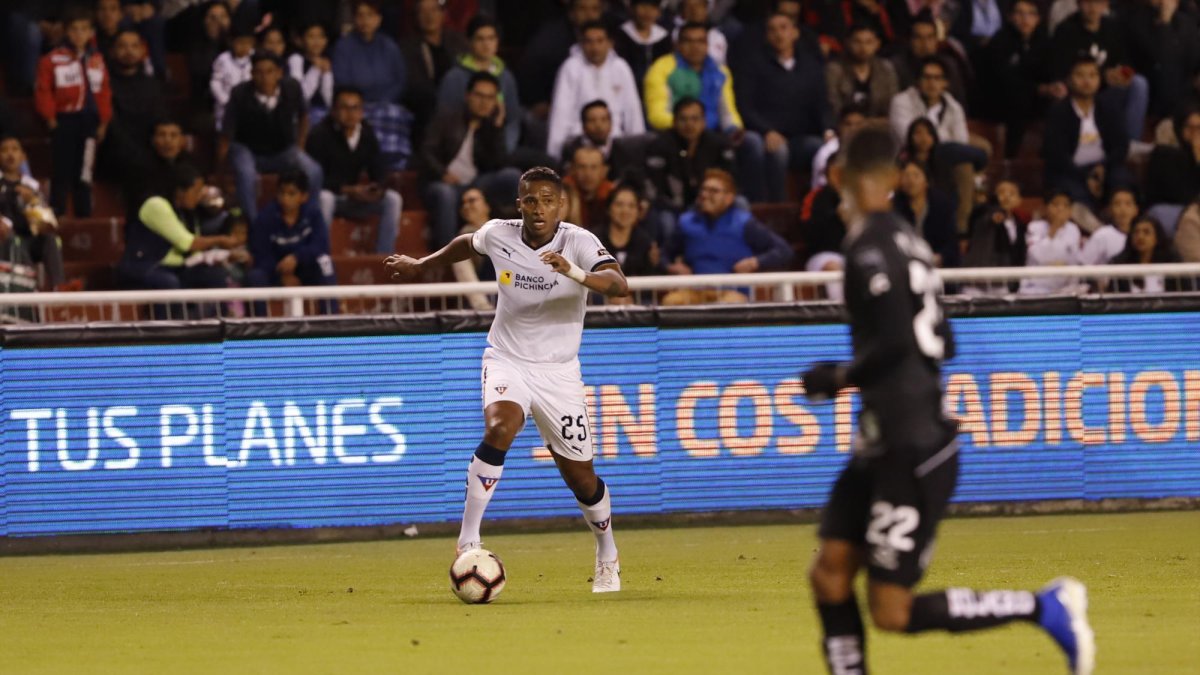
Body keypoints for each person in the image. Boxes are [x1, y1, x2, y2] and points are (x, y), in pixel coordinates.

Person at [800, 124, 1095, 675]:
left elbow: (897, 338)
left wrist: (836, 376)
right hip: (883, 437)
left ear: (837, 178)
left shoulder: (865, 245)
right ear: (893, 179)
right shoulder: (911, 240)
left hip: (910, 446)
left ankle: (1045, 606)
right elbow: (944, 339)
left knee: (890, 609)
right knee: (829, 572)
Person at [385, 166, 629, 593]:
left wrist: (573, 272)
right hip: (507, 358)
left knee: (581, 477)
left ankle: (607, 551)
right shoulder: (500, 233)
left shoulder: (579, 241)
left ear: (562, 205)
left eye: (548, 200)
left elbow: (618, 284)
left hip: (558, 372)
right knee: (500, 427)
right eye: (530, 200)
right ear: (520, 204)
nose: (539, 209)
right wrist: (422, 264)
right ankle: (468, 539)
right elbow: (468, 243)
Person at [734, 11, 832, 202]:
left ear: (795, 33)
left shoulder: (812, 66)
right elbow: (744, 106)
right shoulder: (753, 64)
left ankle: (818, 205)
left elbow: (823, 104)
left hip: (799, 138)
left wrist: (829, 129)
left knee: (822, 148)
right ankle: (778, 208)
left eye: (784, 28)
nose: (778, 34)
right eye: (772, 30)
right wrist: (766, 130)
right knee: (778, 151)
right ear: (766, 36)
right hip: (767, 136)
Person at [419, 71, 521, 249]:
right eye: (479, 96)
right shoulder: (446, 119)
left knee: (512, 176)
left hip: (475, 184)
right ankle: (446, 254)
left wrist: (496, 127)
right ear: (468, 96)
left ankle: (515, 243)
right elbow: (427, 151)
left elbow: (499, 163)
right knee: (446, 194)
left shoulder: (490, 127)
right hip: (442, 183)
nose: (484, 102)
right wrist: (442, 173)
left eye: (490, 98)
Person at [662, 168, 793, 305]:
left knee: (729, 304)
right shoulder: (686, 222)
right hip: (695, 290)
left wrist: (755, 262)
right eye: (703, 190)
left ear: (729, 198)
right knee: (671, 301)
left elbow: (783, 250)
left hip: (731, 291)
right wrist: (671, 266)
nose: (705, 195)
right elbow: (664, 254)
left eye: (713, 191)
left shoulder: (744, 223)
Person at [220, 52, 324, 222]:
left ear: (279, 73)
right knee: (246, 174)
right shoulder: (239, 93)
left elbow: (304, 116)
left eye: (270, 72)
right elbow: (226, 134)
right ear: (252, 74)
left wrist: (300, 146)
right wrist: (222, 171)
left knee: (314, 171)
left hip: (283, 150)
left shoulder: (292, 88)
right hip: (248, 149)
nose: (264, 77)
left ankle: (308, 219)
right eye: (259, 72)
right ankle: (253, 225)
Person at [117, 163, 239, 307]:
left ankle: (217, 326)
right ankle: (167, 329)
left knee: (216, 276)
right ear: (180, 192)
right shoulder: (156, 204)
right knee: (168, 282)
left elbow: (196, 248)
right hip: (146, 266)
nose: (199, 196)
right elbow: (187, 243)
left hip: (178, 267)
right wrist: (221, 240)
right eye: (196, 191)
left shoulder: (187, 210)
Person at [307, 85, 402, 255]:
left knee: (393, 199)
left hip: (355, 199)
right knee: (325, 198)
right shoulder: (319, 134)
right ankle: (321, 257)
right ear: (334, 111)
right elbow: (315, 180)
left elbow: (378, 168)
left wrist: (376, 188)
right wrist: (346, 189)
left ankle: (384, 258)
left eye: (355, 108)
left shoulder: (366, 133)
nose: (350, 113)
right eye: (344, 107)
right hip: (331, 197)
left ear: (362, 111)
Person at [35, 7, 111, 217]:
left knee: (84, 172)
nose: (79, 34)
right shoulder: (52, 59)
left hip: (89, 122)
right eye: (74, 29)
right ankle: (57, 215)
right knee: (62, 171)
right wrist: (50, 119)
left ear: (91, 33)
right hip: (64, 120)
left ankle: (84, 216)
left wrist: (103, 121)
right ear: (67, 32)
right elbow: (43, 91)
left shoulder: (97, 60)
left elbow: (104, 92)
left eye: (84, 29)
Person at [546, 20, 644, 161]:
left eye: (600, 41)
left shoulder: (621, 68)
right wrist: (554, 156)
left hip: (614, 141)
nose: (595, 47)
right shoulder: (570, 68)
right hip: (580, 141)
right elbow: (560, 114)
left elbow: (633, 111)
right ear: (581, 44)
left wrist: (638, 149)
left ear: (610, 43)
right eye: (589, 42)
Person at [1042, 55, 1130, 209]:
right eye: (1080, 75)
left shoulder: (1109, 108)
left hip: (1104, 167)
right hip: (1070, 172)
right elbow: (1056, 155)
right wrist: (1085, 176)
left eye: (1092, 75)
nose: (1087, 81)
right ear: (1069, 79)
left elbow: (1121, 145)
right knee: (1075, 195)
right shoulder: (1058, 112)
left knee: (1122, 183)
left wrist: (1103, 167)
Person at [644, 98, 736, 240]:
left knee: (741, 204)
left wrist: (710, 200)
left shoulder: (718, 145)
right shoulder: (660, 146)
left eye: (695, 119)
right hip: (672, 206)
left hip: (711, 201)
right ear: (674, 121)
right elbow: (656, 189)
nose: (689, 124)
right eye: (684, 119)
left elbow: (728, 180)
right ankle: (672, 259)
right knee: (666, 221)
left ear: (704, 121)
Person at [247, 169, 338, 312]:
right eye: (282, 193)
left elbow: (321, 245)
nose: (285, 199)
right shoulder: (265, 217)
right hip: (276, 270)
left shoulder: (313, 213)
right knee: (255, 276)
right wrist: (282, 275)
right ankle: (259, 328)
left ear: (303, 196)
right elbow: (261, 254)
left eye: (291, 194)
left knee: (325, 261)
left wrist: (297, 257)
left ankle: (331, 320)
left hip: (305, 267)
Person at [982, 0, 1060, 157]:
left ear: (1038, 18)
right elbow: (1003, 80)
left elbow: (1052, 71)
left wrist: (1055, 87)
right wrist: (1038, 89)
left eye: (1031, 14)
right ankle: (1011, 160)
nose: (1026, 19)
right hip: (1004, 100)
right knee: (1018, 103)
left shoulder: (1045, 42)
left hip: (1039, 98)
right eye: (1020, 13)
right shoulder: (1000, 41)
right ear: (1011, 17)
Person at [437, 15, 523, 153]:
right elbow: (444, 121)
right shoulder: (454, 78)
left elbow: (513, 120)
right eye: (480, 39)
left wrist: (505, 147)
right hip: (463, 149)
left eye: (491, 38)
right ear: (469, 41)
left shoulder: (506, 77)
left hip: (500, 147)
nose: (486, 44)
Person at [101, 28, 168, 179]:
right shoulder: (104, 85)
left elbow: (160, 119)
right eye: (123, 46)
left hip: (150, 150)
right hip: (117, 154)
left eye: (134, 46)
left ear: (142, 50)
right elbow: (112, 129)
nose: (129, 51)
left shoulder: (152, 84)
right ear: (112, 51)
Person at [0, 136, 65, 289]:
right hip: (5, 240)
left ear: (23, 157)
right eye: (4, 150)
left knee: (51, 240)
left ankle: (60, 288)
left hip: (29, 240)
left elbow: (47, 223)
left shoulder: (32, 186)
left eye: (15, 149)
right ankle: (30, 287)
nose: (10, 154)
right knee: (14, 241)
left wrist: (33, 201)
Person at [399, 0, 468, 139]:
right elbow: (414, 85)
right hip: (427, 105)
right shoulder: (407, 47)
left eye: (434, 10)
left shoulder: (459, 42)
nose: (429, 16)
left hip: (460, 100)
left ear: (443, 14)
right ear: (416, 17)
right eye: (423, 12)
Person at [332, 0, 406, 105]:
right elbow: (342, 82)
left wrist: (384, 100)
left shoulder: (389, 45)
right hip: (354, 105)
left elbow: (399, 81)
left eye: (370, 15)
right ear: (354, 19)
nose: (365, 20)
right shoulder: (343, 47)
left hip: (387, 103)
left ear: (379, 19)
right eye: (360, 15)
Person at [892, 159, 960, 267]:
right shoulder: (893, 207)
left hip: (937, 266)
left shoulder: (942, 205)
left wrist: (938, 258)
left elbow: (951, 244)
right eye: (906, 175)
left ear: (926, 181)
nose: (911, 180)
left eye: (916, 175)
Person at [825, 24, 899, 119]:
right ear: (848, 42)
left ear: (877, 44)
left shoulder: (886, 69)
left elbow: (893, 105)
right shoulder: (834, 69)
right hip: (845, 125)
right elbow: (832, 105)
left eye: (869, 42)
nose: (863, 48)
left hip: (879, 126)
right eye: (857, 42)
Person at [1020, 188, 1084, 294]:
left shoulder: (1073, 229)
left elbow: (1073, 260)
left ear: (1070, 210)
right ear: (1045, 208)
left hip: (1064, 289)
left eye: (1066, 205)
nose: (1060, 209)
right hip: (1036, 288)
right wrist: (1054, 229)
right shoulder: (1034, 227)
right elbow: (1040, 257)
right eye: (1055, 204)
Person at [592, 182, 660, 282]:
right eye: (619, 205)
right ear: (608, 208)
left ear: (638, 211)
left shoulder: (645, 242)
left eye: (631, 206)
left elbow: (649, 286)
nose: (625, 211)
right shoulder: (594, 239)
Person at [1111, 215, 1189, 292]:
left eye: (1146, 232)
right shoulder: (1120, 264)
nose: (1140, 237)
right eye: (1136, 232)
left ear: (1157, 237)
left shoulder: (1172, 262)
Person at [614, 0, 672, 100]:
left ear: (659, 12)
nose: (647, 12)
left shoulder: (664, 38)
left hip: (658, 95)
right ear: (632, 9)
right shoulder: (620, 36)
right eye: (642, 5)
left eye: (652, 7)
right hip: (627, 93)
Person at [451, 187, 496, 311]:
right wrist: (484, 308)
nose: (466, 206)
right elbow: (464, 272)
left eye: (471, 201)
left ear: (487, 206)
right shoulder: (463, 238)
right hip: (486, 309)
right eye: (463, 203)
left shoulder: (504, 231)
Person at [210, 13, 255, 130]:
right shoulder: (222, 59)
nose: (244, 46)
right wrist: (226, 102)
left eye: (247, 43)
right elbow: (215, 84)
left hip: (251, 107)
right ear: (231, 42)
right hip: (226, 106)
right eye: (240, 42)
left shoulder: (255, 58)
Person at [1079, 186, 1137, 265]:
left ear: (1135, 210)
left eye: (1128, 204)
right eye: (1117, 204)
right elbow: (1083, 265)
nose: (1123, 209)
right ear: (1110, 209)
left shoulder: (1140, 235)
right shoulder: (1102, 235)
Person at [563, 146, 615, 230]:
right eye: (582, 167)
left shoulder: (613, 194)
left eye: (594, 167)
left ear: (604, 171)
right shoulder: (563, 194)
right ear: (572, 170)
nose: (588, 174)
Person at [289, 22, 335, 112]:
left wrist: (327, 74)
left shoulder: (327, 61)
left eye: (320, 37)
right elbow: (300, 97)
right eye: (311, 36)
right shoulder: (296, 59)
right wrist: (315, 69)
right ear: (300, 40)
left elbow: (329, 101)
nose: (316, 41)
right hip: (301, 114)